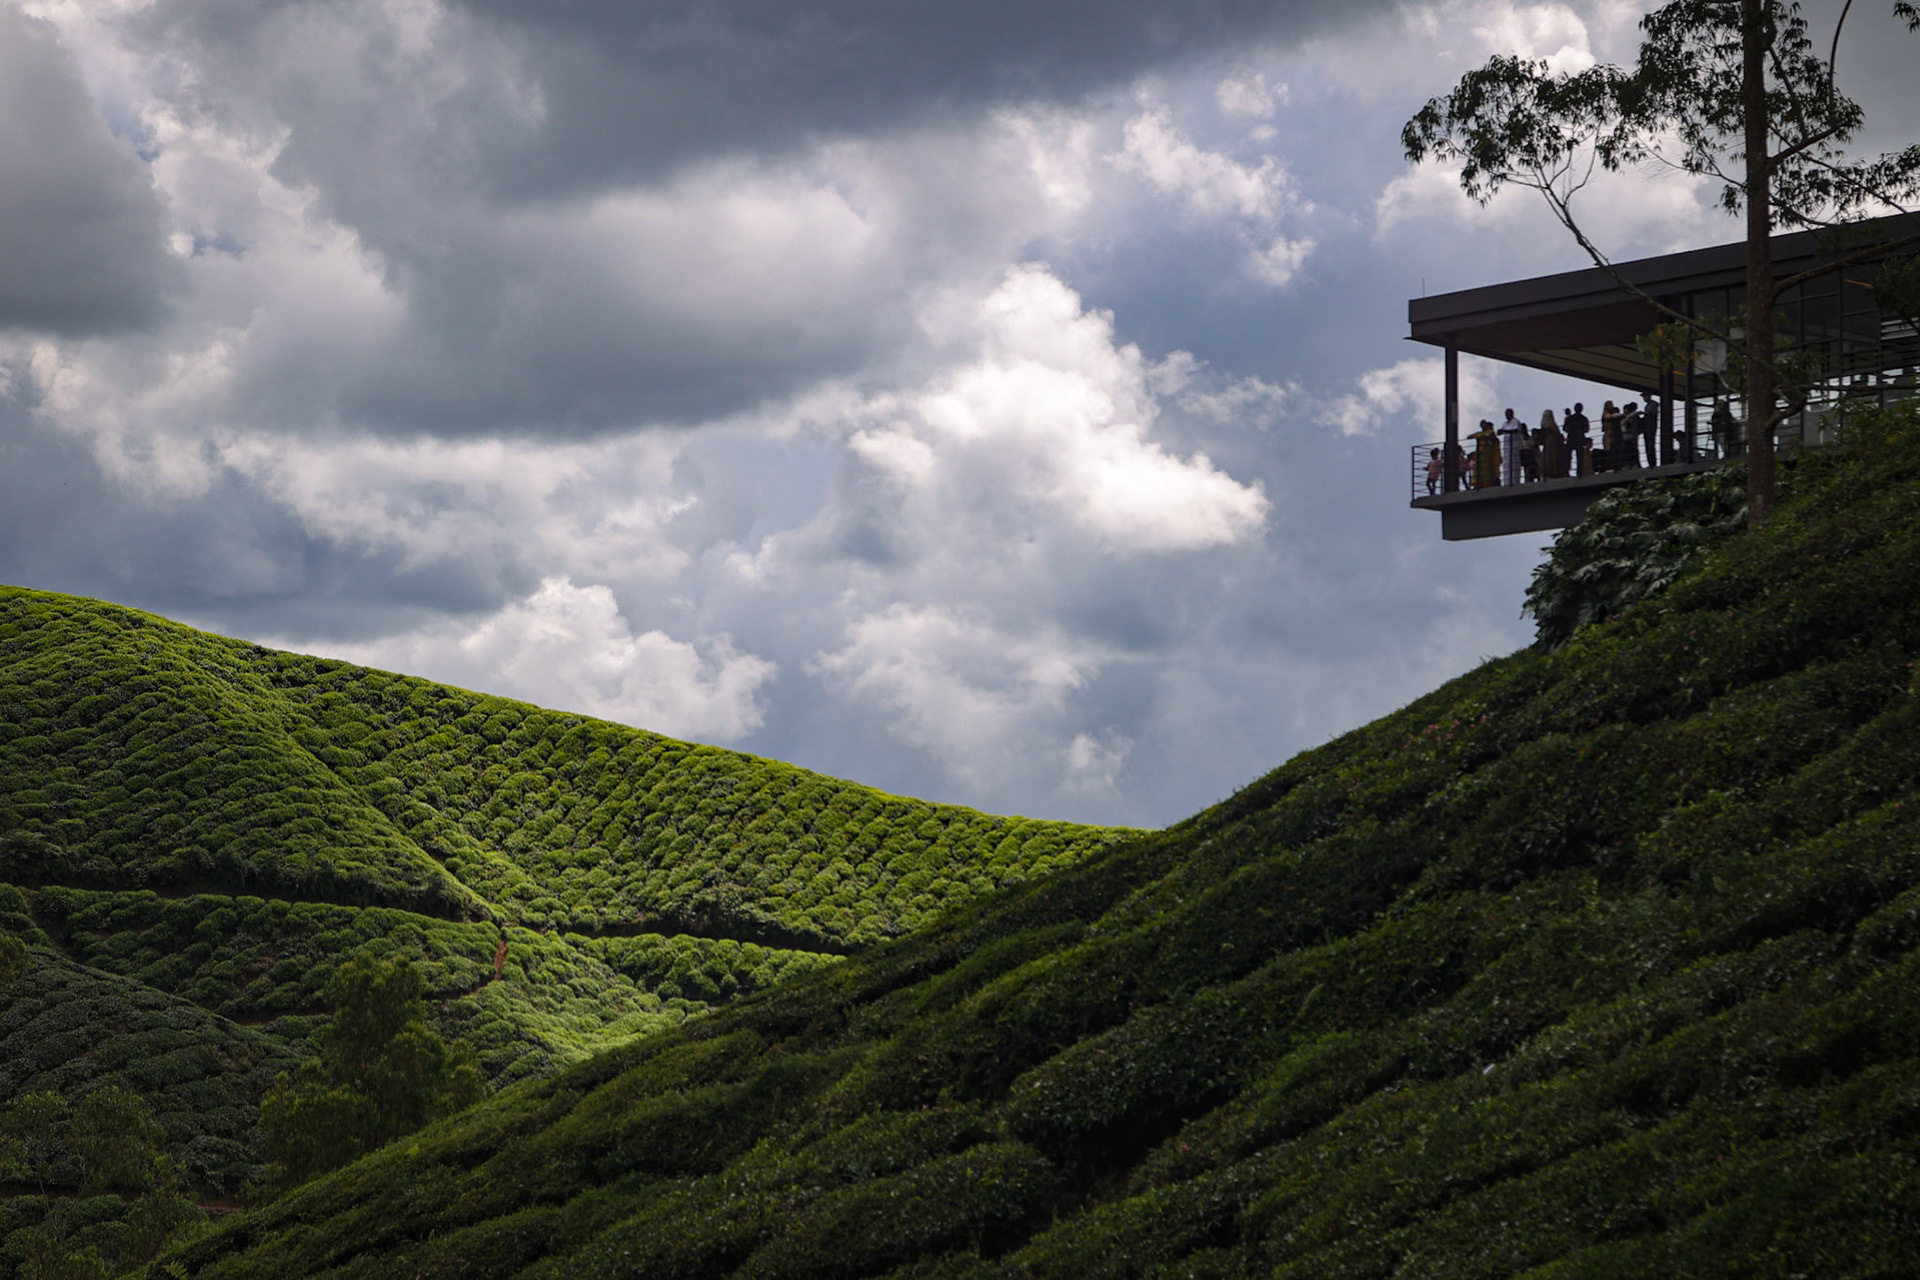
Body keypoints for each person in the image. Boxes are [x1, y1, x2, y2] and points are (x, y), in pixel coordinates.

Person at [1497, 409, 1527, 485]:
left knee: (1514, 464)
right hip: (1506, 446)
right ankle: (1507, 482)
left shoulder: (1516, 421)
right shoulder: (1505, 423)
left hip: (1514, 445)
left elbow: (1516, 430)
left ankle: (1515, 482)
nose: (1507, 415)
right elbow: (1500, 432)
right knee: (1507, 464)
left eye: (1508, 413)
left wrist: (1505, 431)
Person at [1538, 409, 1567, 479]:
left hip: (1554, 447)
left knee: (1553, 460)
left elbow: (1558, 436)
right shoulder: (1548, 427)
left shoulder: (1554, 427)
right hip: (1547, 447)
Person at [1471, 420, 1501, 488]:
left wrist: (1486, 437)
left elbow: (1494, 439)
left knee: (1487, 471)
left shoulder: (1490, 432)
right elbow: (1469, 437)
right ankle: (1478, 484)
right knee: (1479, 470)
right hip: (1480, 455)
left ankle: (1488, 483)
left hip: (1488, 455)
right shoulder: (1480, 433)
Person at [1565, 402, 1592, 476]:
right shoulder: (1583, 418)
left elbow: (1565, 428)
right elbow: (1587, 429)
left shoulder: (1570, 418)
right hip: (1579, 438)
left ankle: (1567, 471)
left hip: (1571, 438)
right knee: (1579, 456)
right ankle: (1579, 472)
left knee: (1568, 456)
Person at [1618, 400, 1643, 469]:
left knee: (1632, 451)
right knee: (1629, 451)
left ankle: (1633, 464)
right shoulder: (1626, 417)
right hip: (1628, 438)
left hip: (1630, 437)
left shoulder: (1632, 418)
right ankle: (1630, 464)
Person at [1640, 392, 1662, 466]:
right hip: (1647, 428)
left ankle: (1652, 462)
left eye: (1645, 396)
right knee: (1648, 445)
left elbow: (1651, 415)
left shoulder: (1653, 404)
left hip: (1650, 427)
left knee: (1650, 445)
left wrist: (1644, 414)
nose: (1644, 398)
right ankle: (1651, 462)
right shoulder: (1648, 405)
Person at [1599, 401, 1621, 471]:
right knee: (1608, 452)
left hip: (1613, 435)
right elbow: (1608, 417)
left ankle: (1614, 466)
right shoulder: (1606, 414)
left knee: (1613, 450)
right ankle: (1609, 467)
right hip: (1608, 435)